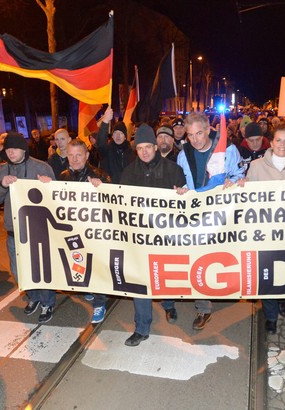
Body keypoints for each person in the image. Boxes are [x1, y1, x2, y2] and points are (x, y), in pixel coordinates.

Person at [176, 112, 245, 330]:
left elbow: (240, 176)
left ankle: (226, 286)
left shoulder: (228, 149)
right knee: (199, 258)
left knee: (223, 255)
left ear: (208, 130)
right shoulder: (183, 155)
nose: (195, 139)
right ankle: (203, 307)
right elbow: (181, 183)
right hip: (196, 216)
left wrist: (232, 182)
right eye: (190, 135)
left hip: (223, 214)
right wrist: (180, 191)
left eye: (199, 133)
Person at [120, 124, 186, 346]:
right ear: (136, 150)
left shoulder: (173, 170)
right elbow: (119, 204)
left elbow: (185, 206)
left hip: (165, 238)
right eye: (140, 148)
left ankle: (168, 304)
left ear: (156, 147)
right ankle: (141, 327)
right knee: (141, 282)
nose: (145, 151)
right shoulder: (128, 173)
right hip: (139, 240)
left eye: (148, 146)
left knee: (164, 276)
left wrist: (183, 194)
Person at [241, 124, 285, 335]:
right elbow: (246, 196)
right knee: (267, 272)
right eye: (278, 140)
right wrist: (241, 184)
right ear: (271, 143)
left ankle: (282, 298)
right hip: (264, 231)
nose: (282, 144)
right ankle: (270, 316)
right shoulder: (257, 165)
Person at [0, 131, 57, 324]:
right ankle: (34, 297)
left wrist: (50, 185)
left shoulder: (41, 167)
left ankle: (47, 302)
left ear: (24, 149)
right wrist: (2, 185)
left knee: (40, 269)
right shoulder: (0, 171)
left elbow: (58, 197)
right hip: (13, 230)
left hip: (37, 229)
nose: (11, 153)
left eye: (15, 149)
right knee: (20, 271)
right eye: (8, 149)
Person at [58, 138, 111, 323]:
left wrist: (102, 188)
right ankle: (89, 288)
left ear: (87, 155)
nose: (74, 159)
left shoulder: (99, 175)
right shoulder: (63, 175)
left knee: (96, 266)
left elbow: (113, 202)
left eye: (78, 155)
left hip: (94, 232)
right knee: (79, 261)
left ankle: (99, 303)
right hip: (73, 230)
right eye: (71, 155)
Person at [96, 108, 135, 184]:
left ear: (125, 136)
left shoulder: (132, 153)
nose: (118, 135)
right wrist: (105, 121)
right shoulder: (106, 150)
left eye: (121, 133)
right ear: (112, 136)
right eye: (115, 133)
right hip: (110, 190)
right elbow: (100, 142)